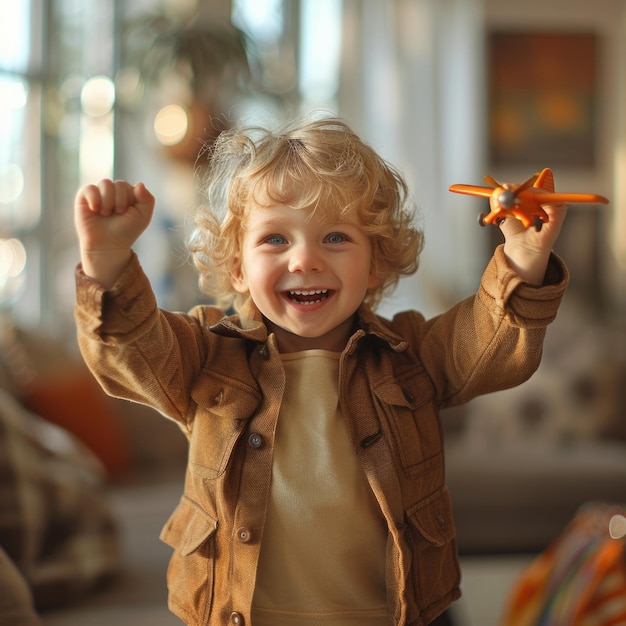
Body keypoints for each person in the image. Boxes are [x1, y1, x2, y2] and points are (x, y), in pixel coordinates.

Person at [73, 116, 569, 626]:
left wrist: (522, 260)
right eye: (274, 240)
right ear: (238, 267)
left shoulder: (413, 353)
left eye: (335, 237)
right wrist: (108, 265)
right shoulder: (204, 355)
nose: (305, 259)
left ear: (375, 262)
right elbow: (131, 351)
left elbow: (491, 340)